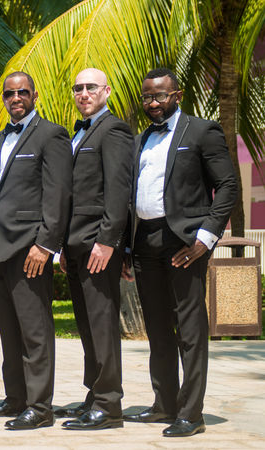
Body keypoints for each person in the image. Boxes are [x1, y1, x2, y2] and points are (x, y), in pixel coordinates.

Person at [122, 68, 238, 437]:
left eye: (160, 95)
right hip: (145, 242)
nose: (153, 103)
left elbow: (228, 186)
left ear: (178, 95)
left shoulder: (201, 131)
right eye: (147, 97)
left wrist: (205, 238)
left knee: (190, 329)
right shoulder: (140, 140)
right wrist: (127, 247)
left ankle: (192, 413)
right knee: (157, 328)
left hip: (185, 243)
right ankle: (164, 404)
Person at [0, 71, 72, 430]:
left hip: (31, 249)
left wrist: (46, 245)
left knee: (35, 331)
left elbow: (58, 194)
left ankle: (40, 406)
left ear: (35, 95)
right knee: (10, 331)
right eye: (9, 93)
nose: (16, 98)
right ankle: (15, 398)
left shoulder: (51, 135)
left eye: (22, 92)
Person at [57, 68, 133, 430]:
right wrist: (62, 246)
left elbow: (118, 191)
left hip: (97, 245)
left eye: (91, 87)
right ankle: (94, 394)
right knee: (87, 325)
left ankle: (109, 404)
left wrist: (108, 241)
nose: (84, 93)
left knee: (102, 325)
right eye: (78, 88)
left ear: (106, 91)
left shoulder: (113, 130)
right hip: (75, 245)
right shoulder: (79, 133)